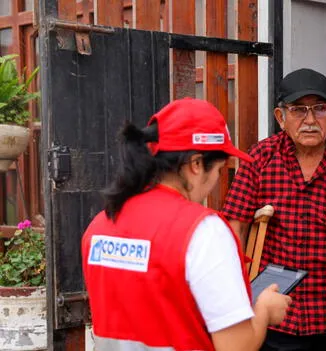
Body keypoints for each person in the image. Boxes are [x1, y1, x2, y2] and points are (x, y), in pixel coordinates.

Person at [81, 98, 292, 351]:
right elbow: (236, 346)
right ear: (195, 164)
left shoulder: (101, 224)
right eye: (219, 170)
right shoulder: (203, 231)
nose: (215, 180)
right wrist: (265, 309)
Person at [222, 68, 326, 351]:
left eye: (320, 109)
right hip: (275, 310)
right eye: (299, 110)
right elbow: (236, 226)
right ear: (280, 117)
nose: (310, 120)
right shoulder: (260, 157)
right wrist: (236, 298)